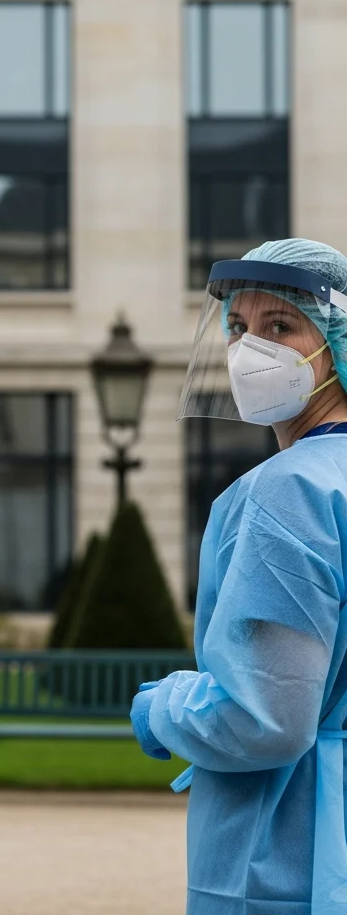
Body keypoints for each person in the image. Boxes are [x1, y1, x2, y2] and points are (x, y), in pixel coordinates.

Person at [130, 238, 347, 915]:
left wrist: (164, 706)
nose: (251, 350)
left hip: (286, 853)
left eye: (280, 326)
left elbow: (270, 719)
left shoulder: (289, 492)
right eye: (238, 328)